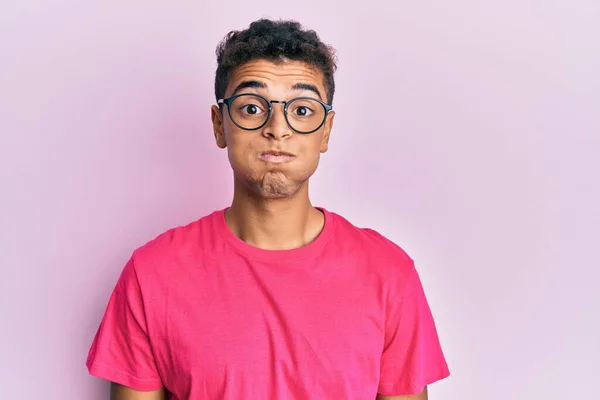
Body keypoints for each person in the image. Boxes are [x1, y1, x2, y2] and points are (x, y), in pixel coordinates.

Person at [86, 18, 450, 400]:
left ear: (326, 131)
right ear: (219, 125)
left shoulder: (389, 273)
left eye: (303, 110)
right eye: (252, 108)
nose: (278, 128)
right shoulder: (151, 274)